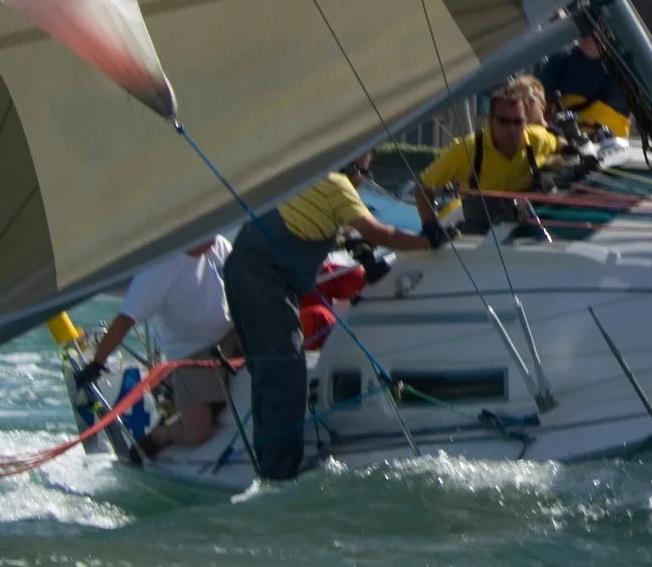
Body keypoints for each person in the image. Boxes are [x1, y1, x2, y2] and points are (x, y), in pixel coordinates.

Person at [223, 152, 439, 481]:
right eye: (364, 171)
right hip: (263, 278)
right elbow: (377, 231)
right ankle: (278, 474)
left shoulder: (307, 176)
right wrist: (426, 240)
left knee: (268, 369)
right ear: (355, 168)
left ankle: (268, 461)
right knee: (285, 371)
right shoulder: (337, 184)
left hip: (242, 267)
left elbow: (334, 230)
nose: (362, 179)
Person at [74, 235, 234, 455]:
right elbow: (125, 320)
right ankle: (162, 434)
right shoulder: (157, 272)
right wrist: (97, 364)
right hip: (191, 354)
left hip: (231, 334)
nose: (213, 238)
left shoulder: (218, 245)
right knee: (198, 432)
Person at [417, 80, 565, 234]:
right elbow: (423, 185)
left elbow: (559, 142)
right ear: (490, 121)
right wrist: (430, 226)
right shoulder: (466, 149)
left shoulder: (537, 139)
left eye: (517, 122)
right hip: (479, 231)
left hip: (525, 226)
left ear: (526, 122)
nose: (511, 128)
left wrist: (567, 149)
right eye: (504, 121)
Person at [538, 31, 633, 141]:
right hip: (568, 143)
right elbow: (538, 106)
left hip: (614, 144)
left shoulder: (627, 67)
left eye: (598, 30)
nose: (591, 35)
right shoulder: (560, 62)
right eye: (586, 30)